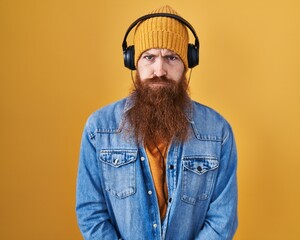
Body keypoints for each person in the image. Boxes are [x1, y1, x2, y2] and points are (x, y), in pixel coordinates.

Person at [76, 5, 238, 240]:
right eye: (149, 57)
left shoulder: (218, 132)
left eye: (171, 57)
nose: (159, 70)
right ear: (133, 61)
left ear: (188, 63)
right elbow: (91, 213)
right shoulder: (99, 129)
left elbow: (223, 220)